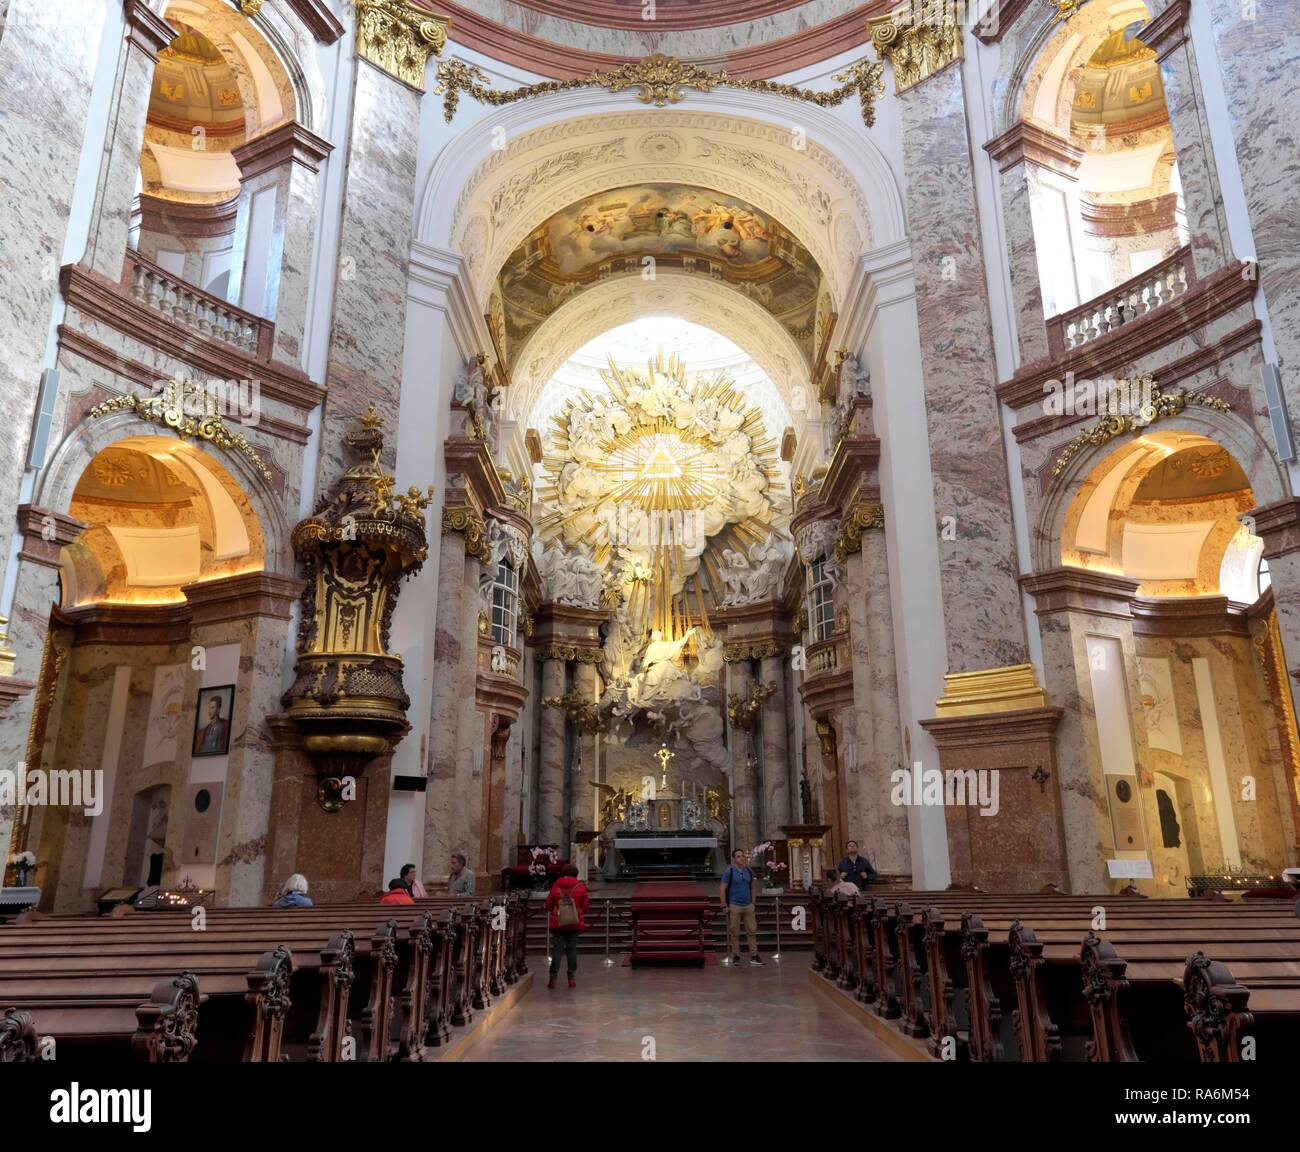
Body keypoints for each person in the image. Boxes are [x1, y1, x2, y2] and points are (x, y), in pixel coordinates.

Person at [545, 864, 589, 989]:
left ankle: (553, 977)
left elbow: (548, 905)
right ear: (576, 874)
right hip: (574, 923)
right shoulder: (580, 887)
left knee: (557, 951)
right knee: (572, 950)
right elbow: (586, 905)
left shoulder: (556, 886)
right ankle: (571, 977)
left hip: (558, 923)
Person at [720, 848, 762, 966]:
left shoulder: (749, 870)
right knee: (735, 932)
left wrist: (753, 902)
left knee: (752, 931)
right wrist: (724, 904)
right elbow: (722, 888)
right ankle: (736, 955)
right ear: (734, 859)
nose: (741, 858)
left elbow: (753, 886)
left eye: (742, 856)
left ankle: (754, 955)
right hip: (734, 905)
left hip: (748, 905)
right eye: (738, 856)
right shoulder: (729, 871)